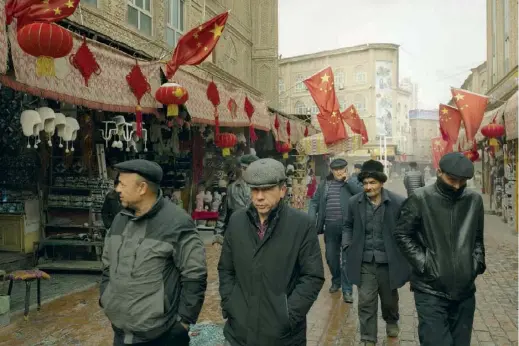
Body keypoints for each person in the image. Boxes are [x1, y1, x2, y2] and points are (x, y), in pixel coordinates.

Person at [100, 159, 207, 346]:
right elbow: (107, 266)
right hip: (121, 332)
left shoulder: (177, 222)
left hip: (162, 335)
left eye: (122, 184)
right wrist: (106, 298)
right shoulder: (120, 219)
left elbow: (195, 275)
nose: (117, 189)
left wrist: (183, 321)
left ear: (142, 188)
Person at [218, 158, 324, 345]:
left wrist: (288, 315)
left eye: (266, 190)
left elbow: (312, 277)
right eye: (254, 190)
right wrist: (231, 304)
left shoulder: (301, 225)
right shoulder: (237, 221)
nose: (259, 197)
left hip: (283, 336)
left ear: (282, 190)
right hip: (238, 332)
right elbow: (226, 269)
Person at [393, 152, 485, 346]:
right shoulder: (420, 199)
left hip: (465, 291)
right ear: (439, 172)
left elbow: (477, 238)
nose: (457, 186)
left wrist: (476, 263)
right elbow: (402, 234)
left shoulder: (474, 200)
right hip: (430, 290)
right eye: (452, 180)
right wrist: (425, 264)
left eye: (462, 181)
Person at [342, 160, 409, 346]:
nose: (368, 187)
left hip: (388, 262)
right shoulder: (354, 203)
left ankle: (391, 320)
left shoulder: (397, 202)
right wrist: (347, 245)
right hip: (364, 261)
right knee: (365, 302)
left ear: (381, 183)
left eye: (372, 183)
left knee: (389, 300)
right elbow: (347, 225)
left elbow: (406, 230)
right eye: (365, 183)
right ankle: (368, 338)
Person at [308, 156, 363, 302]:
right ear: (331, 170)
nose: (339, 172)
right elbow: (314, 202)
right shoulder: (324, 184)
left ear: (346, 169)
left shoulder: (352, 182)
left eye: (341, 169)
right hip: (329, 227)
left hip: (347, 228)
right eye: (336, 169)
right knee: (331, 258)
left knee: (346, 260)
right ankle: (336, 280)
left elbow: (361, 195)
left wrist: (347, 181)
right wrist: (311, 219)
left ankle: (347, 290)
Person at [213, 154, 259, 245]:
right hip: (236, 238)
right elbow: (223, 216)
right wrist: (217, 236)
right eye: (245, 168)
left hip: (257, 237)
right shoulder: (231, 188)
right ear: (242, 169)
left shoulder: (261, 188)